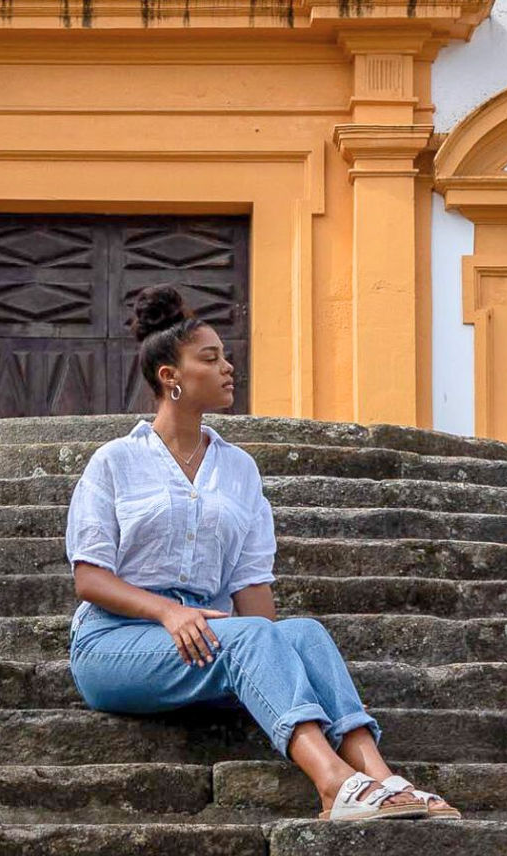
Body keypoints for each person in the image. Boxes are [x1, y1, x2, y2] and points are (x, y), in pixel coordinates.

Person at [63, 284, 464, 822]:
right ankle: (332, 784)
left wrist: (270, 654)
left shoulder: (238, 469)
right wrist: (169, 611)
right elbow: (89, 578)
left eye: (226, 356)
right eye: (211, 358)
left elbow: (253, 592)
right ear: (170, 377)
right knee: (250, 636)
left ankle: (380, 776)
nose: (229, 367)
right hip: (115, 643)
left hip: (206, 640)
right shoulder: (115, 462)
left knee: (303, 633)